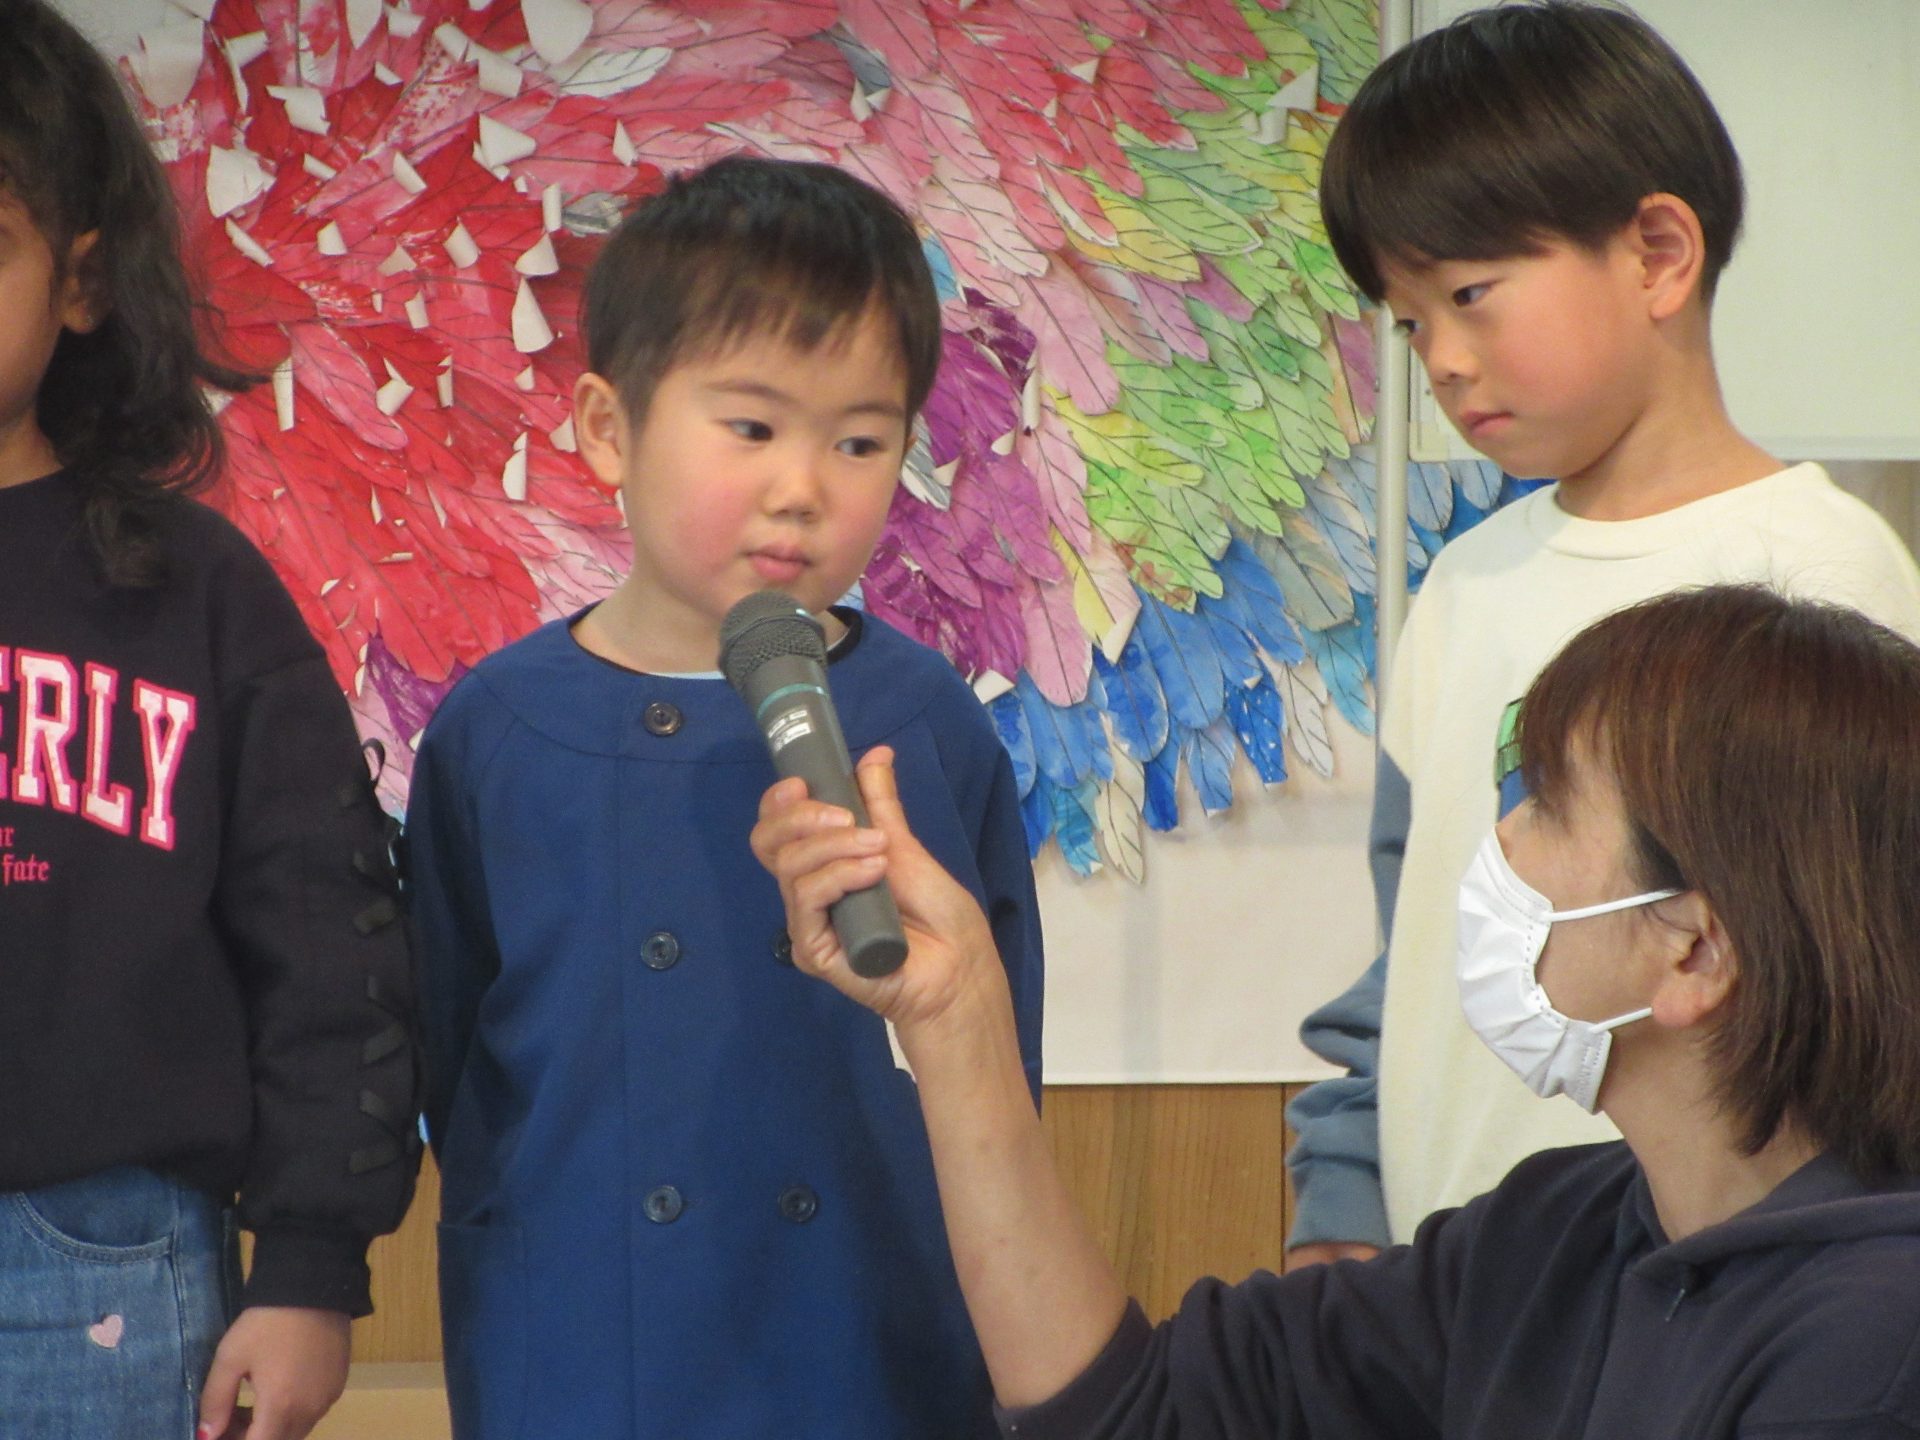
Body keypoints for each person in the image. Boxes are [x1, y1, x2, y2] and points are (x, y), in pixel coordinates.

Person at [755, 583, 1920, 1436]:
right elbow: (1135, 1413)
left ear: (1696, 950)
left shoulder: (1870, 1353)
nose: (1498, 846)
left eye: (1548, 808)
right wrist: (956, 1021)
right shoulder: (1558, 1237)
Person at [407, 155, 1044, 1439]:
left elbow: (997, 1063)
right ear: (608, 429)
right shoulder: (499, 729)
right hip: (581, 1351)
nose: (803, 488)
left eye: (859, 442)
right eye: (752, 428)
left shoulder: (926, 721)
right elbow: (449, 1055)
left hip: (872, 1350)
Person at [1283, 0, 1920, 1263]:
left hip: (1710, 1293)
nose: (1440, 359)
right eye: (1409, 321)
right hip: (1454, 1291)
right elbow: (1409, 951)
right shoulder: (1461, 587)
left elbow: (1864, 994)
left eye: (1470, 294)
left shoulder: (1829, 579)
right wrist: (1342, 1210)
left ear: (1658, 255)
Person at [0, 4, 421, 1439]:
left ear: (80, 281)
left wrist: (311, 1264)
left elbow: (329, 936)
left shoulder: (195, 589)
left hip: (97, 1256)